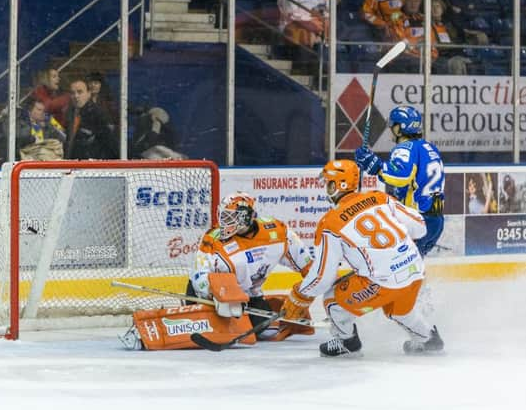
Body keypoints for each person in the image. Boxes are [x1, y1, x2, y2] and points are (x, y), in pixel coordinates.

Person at [280, 159, 444, 357]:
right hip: (415, 271)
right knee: (400, 310)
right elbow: (420, 226)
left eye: (328, 184)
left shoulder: (330, 223)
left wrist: (300, 294)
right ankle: (429, 339)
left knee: (332, 300)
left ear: (338, 185)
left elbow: (322, 277)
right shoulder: (380, 198)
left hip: (384, 281)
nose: (326, 189)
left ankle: (346, 343)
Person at [119, 191, 315, 350]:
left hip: (248, 297)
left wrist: (311, 287)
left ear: (246, 218)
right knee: (214, 328)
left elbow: (307, 265)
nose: (224, 222)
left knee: (264, 329)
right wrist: (220, 298)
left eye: (231, 218)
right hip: (209, 298)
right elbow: (199, 277)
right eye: (223, 216)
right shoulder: (213, 239)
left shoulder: (277, 232)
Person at [355, 105, 445, 257]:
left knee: (396, 265)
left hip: (417, 220)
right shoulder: (429, 147)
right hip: (436, 221)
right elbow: (417, 180)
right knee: (414, 264)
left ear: (400, 128)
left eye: (393, 125)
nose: (391, 128)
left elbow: (401, 177)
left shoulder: (405, 148)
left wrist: (375, 165)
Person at [64, 79, 119, 160]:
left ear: (89, 94)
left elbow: (110, 143)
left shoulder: (97, 114)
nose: (76, 96)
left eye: (80, 92)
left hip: (90, 166)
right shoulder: (70, 113)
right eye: (72, 93)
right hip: (73, 164)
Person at [386, 0, 438, 73]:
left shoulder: (424, 19)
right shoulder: (395, 19)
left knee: (442, 64)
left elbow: (432, 42)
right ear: (404, 1)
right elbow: (402, 43)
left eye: (416, 1)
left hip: (424, 59)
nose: (413, 4)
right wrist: (419, 41)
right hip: (401, 60)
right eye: (410, 1)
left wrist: (431, 56)